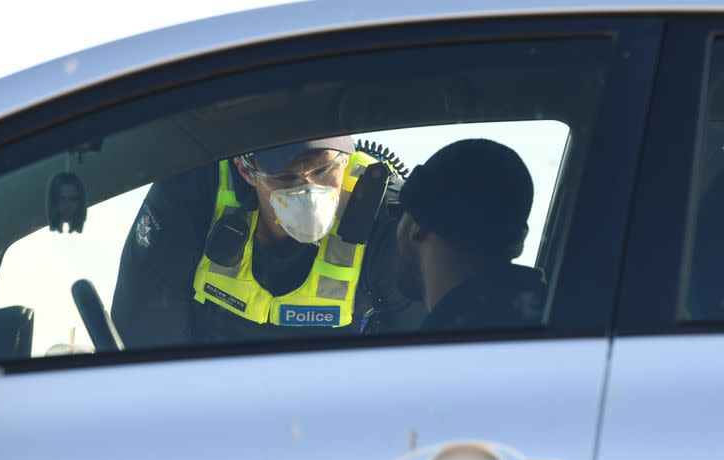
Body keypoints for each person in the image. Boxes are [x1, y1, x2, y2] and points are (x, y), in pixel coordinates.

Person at [111, 136, 424, 347]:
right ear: (246, 171)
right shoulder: (194, 191)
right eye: (286, 178)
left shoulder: (387, 217)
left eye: (324, 169)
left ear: (347, 155)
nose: (309, 192)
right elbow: (144, 335)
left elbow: (424, 365)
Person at [395, 138, 546, 331]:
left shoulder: (444, 342)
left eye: (402, 213)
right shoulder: (551, 313)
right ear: (515, 244)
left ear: (417, 227)